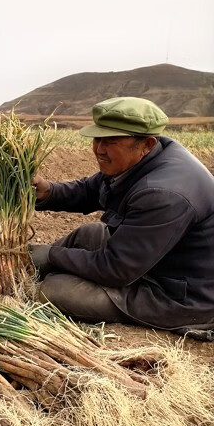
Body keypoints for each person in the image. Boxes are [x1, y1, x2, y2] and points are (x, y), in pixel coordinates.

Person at [29, 96, 214, 341]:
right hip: (157, 261)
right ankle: (28, 266)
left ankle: (39, 271)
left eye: (111, 141)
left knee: (54, 290)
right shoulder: (145, 156)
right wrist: (49, 191)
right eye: (97, 138)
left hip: (177, 294)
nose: (98, 149)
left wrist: (52, 255)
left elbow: (114, 269)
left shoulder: (163, 193)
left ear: (146, 144)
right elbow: (91, 189)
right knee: (89, 234)